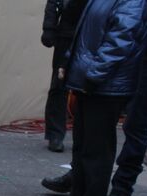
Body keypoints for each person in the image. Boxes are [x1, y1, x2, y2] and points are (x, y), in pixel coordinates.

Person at [46, 0, 147, 196]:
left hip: (107, 84)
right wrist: (69, 62)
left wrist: (93, 72)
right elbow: (83, 32)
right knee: (82, 144)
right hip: (90, 78)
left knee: (97, 149)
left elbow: (122, 38)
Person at [42, 0, 90, 152]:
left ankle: (85, 136)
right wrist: (49, 27)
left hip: (90, 32)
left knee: (88, 86)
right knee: (59, 85)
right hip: (68, 31)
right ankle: (55, 134)